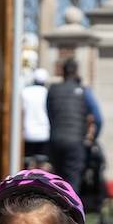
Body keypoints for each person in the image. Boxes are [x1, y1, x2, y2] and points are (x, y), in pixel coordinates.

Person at [46, 58, 102, 190]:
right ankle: (72, 209)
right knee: (72, 181)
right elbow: (98, 119)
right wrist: (92, 138)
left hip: (55, 140)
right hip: (75, 142)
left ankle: (59, 209)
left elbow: (49, 113)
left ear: (62, 72)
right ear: (76, 72)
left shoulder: (53, 90)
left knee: (58, 182)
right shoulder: (84, 92)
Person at [22, 68, 51, 164]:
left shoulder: (25, 92)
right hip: (44, 133)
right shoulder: (47, 93)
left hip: (27, 132)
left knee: (26, 163)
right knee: (41, 164)